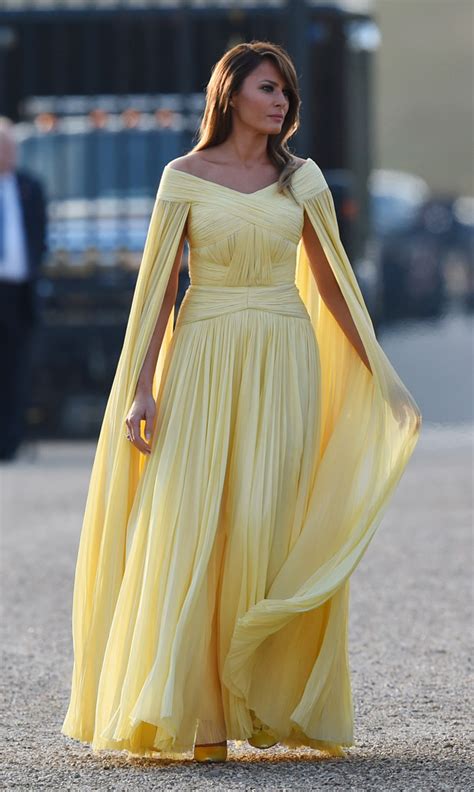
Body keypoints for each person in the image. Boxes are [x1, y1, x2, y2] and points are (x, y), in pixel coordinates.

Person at [61, 42, 422, 763]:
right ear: (231, 95)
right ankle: (194, 718)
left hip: (282, 356)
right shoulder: (182, 178)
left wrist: (380, 374)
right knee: (193, 522)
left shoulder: (304, 181)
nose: (282, 101)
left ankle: (261, 704)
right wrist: (140, 388)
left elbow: (334, 286)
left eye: (286, 91)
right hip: (200, 356)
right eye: (268, 87)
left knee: (263, 520)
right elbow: (159, 288)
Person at [0, 117, 47, 461]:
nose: (9, 153)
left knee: (16, 367)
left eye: (12, 147)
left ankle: (10, 441)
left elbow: (39, 236)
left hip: (18, 292)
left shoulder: (30, 186)